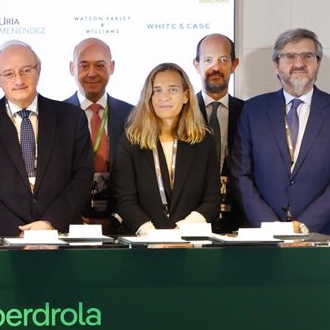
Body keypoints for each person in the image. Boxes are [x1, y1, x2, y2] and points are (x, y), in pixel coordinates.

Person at [231, 28, 330, 237]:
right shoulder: (253, 110)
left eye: (308, 56)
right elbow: (240, 175)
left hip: (322, 234)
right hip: (263, 235)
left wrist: (303, 225)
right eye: (289, 56)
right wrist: (271, 226)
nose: (299, 63)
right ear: (276, 64)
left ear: (318, 63)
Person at [0, 41, 94, 237]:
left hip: (61, 234)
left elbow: (82, 177)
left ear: (38, 70)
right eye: (9, 74)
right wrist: (17, 231)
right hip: (4, 238)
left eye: (26, 70)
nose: (18, 80)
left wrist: (50, 223)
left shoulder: (71, 118)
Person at [109, 63, 220, 235]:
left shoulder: (203, 141)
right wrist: (153, 236)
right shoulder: (130, 141)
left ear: (185, 96)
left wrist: (180, 232)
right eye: (157, 90)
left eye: (173, 90)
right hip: (143, 243)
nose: (164, 97)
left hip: (189, 242)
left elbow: (212, 200)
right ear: (149, 97)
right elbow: (124, 200)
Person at [63, 38, 134, 231]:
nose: (92, 73)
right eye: (84, 65)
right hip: (69, 223)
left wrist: (117, 219)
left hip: (123, 225)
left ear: (112, 67)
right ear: (72, 68)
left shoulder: (133, 116)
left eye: (100, 65)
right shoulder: (55, 117)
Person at [192, 33, 246, 233]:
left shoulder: (248, 112)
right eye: (208, 60)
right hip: (191, 218)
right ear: (196, 65)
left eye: (223, 60)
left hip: (239, 218)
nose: (215, 67)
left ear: (234, 65)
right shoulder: (182, 112)